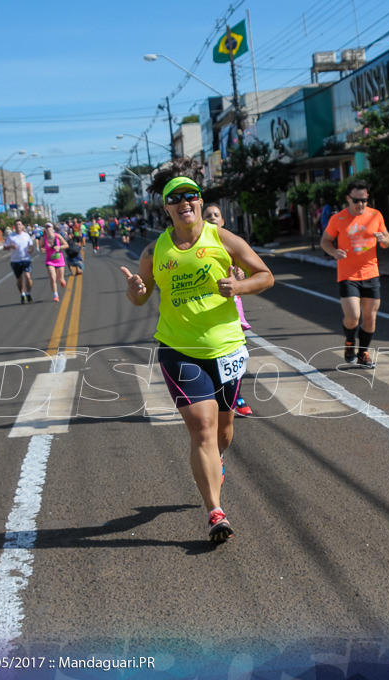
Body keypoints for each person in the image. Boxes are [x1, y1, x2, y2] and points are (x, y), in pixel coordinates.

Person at [119, 158, 273, 543]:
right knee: (202, 428)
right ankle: (215, 512)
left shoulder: (223, 239)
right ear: (166, 208)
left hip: (226, 348)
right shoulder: (155, 250)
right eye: (176, 198)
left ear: (200, 202)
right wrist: (136, 292)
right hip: (178, 348)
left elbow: (265, 275)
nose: (184, 202)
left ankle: (216, 461)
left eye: (190, 195)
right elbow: (141, 298)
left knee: (224, 429)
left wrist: (238, 288)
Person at [319, 180, 389, 368]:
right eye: (356, 200)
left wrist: (384, 239)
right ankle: (350, 342)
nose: (360, 204)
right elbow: (325, 241)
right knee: (353, 316)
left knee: (370, 317)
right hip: (348, 275)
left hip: (371, 272)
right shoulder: (338, 219)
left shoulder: (375, 215)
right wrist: (334, 252)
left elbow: (388, 241)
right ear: (348, 199)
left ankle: (363, 353)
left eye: (364, 200)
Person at [203, 202, 254, 417]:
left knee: (235, 354)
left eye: (216, 215)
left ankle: (236, 396)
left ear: (223, 220)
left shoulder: (232, 244)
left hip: (233, 308)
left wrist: (241, 279)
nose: (213, 218)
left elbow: (251, 273)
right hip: (206, 310)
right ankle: (212, 396)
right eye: (208, 216)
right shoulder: (197, 247)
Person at [4, 219, 35, 303]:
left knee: (28, 277)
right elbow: (4, 247)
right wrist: (11, 246)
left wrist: (31, 250)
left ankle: (28, 294)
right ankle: (22, 294)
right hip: (15, 260)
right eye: (16, 224)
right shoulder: (11, 236)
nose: (18, 226)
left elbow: (31, 245)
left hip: (26, 259)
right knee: (19, 279)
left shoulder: (26, 235)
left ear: (22, 226)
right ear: (15, 226)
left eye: (19, 224)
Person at [41, 222, 69, 301]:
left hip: (59, 260)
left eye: (49, 227)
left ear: (52, 228)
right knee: (53, 278)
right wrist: (42, 249)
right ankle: (55, 295)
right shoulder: (44, 238)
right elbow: (41, 247)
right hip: (49, 260)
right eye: (46, 227)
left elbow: (66, 245)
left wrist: (59, 247)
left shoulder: (58, 236)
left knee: (60, 279)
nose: (48, 229)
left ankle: (62, 281)